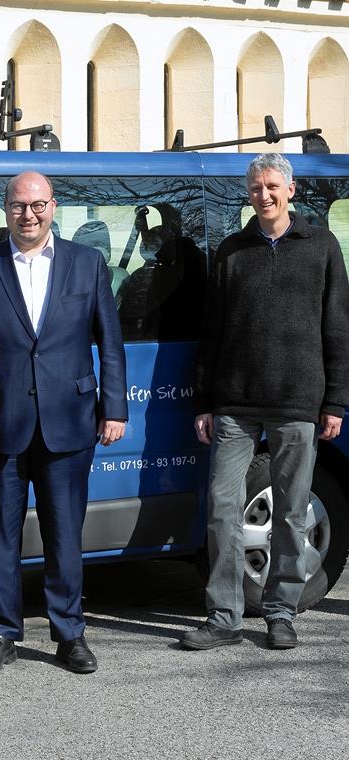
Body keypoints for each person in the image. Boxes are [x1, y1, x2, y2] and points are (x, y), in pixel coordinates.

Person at [0, 171, 127, 675]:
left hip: (69, 422)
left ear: (53, 206)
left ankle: (70, 633)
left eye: (38, 204)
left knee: (65, 534)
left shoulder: (87, 265)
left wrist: (114, 408)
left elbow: (110, 343)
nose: (29, 214)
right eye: (20, 205)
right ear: (6, 210)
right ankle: (1, 635)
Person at [183, 153, 348, 652]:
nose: (265, 195)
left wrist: (336, 401)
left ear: (291, 190)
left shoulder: (321, 247)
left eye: (273, 186)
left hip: (298, 402)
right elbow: (211, 332)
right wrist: (205, 400)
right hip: (234, 403)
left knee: (293, 512)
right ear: (248, 193)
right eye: (256, 187)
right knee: (222, 508)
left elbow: (337, 328)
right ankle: (225, 616)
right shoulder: (232, 250)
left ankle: (280, 612)